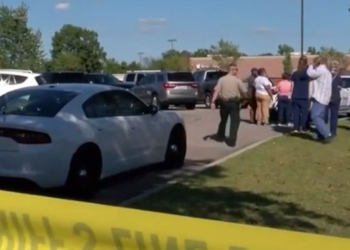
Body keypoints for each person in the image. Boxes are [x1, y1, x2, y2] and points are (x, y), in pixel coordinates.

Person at [211, 63, 247, 147]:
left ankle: (220, 136)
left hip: (223, 102)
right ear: (232, 70)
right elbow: (245, 92)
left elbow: (216, 91)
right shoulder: (237, 80)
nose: (237, 71)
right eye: (236, 69)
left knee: (223, 120)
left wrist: (213, 102)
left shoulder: (221, 79)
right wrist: (244, 99)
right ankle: (231, 140)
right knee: (235, 121)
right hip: (234, 103)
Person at [307, 56, 333, 143]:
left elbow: (310, 73)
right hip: (325, 97)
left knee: (315, 116)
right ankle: (320, 135)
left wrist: (311, 66)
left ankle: (327, 134)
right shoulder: (328, 73)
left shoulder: (320, 70)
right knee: (320, 117)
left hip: (319, 97)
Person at [291, 56, 310, 133]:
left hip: (295, 95)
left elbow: (292, 80)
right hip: (304, 95)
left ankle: (296, 127)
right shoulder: (307, 73)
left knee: (296, 113)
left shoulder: (295, 73)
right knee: (304, 113)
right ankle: (304, 127)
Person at [324, 61, 342, 137]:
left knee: (327, 116)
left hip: (330, 98)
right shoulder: (338, 78)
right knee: (333, 116)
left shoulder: (327, 77)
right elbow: (340, 87)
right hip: (334, 98)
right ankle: (331, 131)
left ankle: (328, 131)